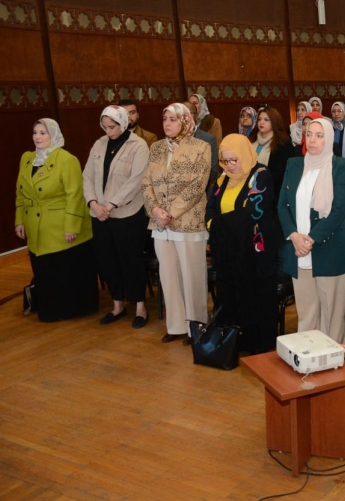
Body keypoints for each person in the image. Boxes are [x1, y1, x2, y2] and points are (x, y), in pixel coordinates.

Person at [278, 118, 345, 344]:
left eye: (319, 136)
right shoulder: (294, 164)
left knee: (332, 316)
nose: (312, 140)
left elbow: (338, 211)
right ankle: (307, 356)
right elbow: (282, 205)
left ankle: (332, 360)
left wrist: (310, 240)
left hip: (329, 250)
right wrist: (294, 236)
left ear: (328, 138)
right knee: (306, 313)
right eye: (309, 134)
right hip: (298, 249)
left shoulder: (340, 166)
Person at [15, 118, 99, 322]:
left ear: (53, 135)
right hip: (37, 228)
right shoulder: (27, 158)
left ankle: (72, 309)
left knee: (64, 270)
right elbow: (20, 193)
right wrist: (19, 220)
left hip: (61, 226)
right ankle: (51, 308)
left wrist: (72, 226)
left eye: (43, 133)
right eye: (35, 132)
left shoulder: (66, 159)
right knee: (45, 271)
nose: (37, 137)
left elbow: (75, 195)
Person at [141, 103, 211, 344]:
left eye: (173, 119)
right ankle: (176, 325)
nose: (167, 124)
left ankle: (196, 326)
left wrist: (170, 212)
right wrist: (155, 210)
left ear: (185, 121)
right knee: (168, 276)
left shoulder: (200, 147)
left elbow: (198, 185)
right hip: (160, 224)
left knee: (192, 276)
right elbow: (146, 183)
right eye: (165, 119)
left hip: (188, 221)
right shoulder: (157, 148)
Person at [206, 134, 279, 353]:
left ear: (245, 155)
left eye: (234, 160)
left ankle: (258, 346)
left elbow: (252, 212)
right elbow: (211, 209)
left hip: (255, 252)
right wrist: (214, 224)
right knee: (231, 296)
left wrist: (218, 226)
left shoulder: (260, 175)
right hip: (228, 252)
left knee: (256, 299)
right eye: (225, 160)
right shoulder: (223, 178)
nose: (229, 165)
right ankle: (233, 343)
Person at [83, 105, 150, 328]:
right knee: (107, 260)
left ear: (123, 122)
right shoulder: (99, 144)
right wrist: (94, 203)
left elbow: (137, 180)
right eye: (104, 127)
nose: (107, 131)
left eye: (112, 127)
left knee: (130, 260)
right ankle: (117, 305)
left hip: (127, 214)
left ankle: (140, 307)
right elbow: (87, 176)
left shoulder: (138, 145)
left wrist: (111, 204)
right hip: (100, 214)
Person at [250, 107, 295, 200]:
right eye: (259, 119)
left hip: (271, 191)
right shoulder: (251, 140)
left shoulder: (283, 143)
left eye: (266, 120)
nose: (261, 122)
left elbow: (280, 172)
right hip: (248, 187)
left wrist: (261, 182)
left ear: (274, 122)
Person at [183, 101, 219, 193]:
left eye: (190, 112)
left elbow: (213, 170)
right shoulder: (172, 139)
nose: (186, 116)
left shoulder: (208, 139)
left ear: (196, 116)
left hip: (201, 192)